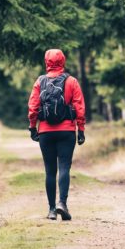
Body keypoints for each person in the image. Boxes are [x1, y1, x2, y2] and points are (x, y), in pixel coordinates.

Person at [28, 49, 86, 221]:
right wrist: (81, 130)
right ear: (63, 61)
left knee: (50, 171)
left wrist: (33, 127)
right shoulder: (71, 81)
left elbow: (33, 107)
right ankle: (63, 203)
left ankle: (52, 210)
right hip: (67, 131)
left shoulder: (40, 81)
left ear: (47, 62)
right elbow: (80, 108)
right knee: (65, 167)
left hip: (46, 131)